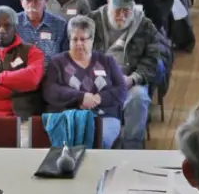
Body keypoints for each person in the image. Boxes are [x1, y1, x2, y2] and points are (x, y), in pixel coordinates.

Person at [42, 14, 144, 149]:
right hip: (68, 116)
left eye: (83, 39)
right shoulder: (57, 62)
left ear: (92, 40)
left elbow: (121, 90)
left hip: (104, 117)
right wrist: (81, 97)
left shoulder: (107, 61)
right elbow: (50, 91)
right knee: (68, 142)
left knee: (99, 140)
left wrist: (98, 98)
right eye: (74, 39)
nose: (79, 44)